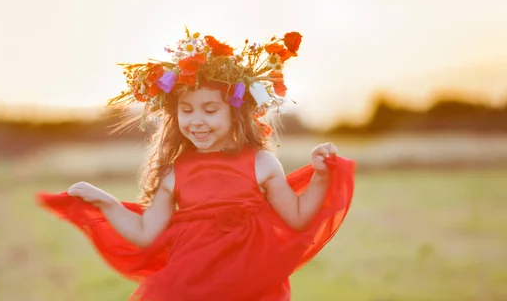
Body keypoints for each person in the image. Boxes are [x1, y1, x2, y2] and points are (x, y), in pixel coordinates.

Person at [36, 29, 356, 300]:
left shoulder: (262, 163)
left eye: (210, 109)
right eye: (187, 110)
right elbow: (146, 233)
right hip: (190, 286)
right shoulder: (174, 171)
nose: (197, 120)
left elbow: (298, 217)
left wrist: (320, 174)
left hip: (252, 284)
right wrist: (104, 201)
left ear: (235, 112)